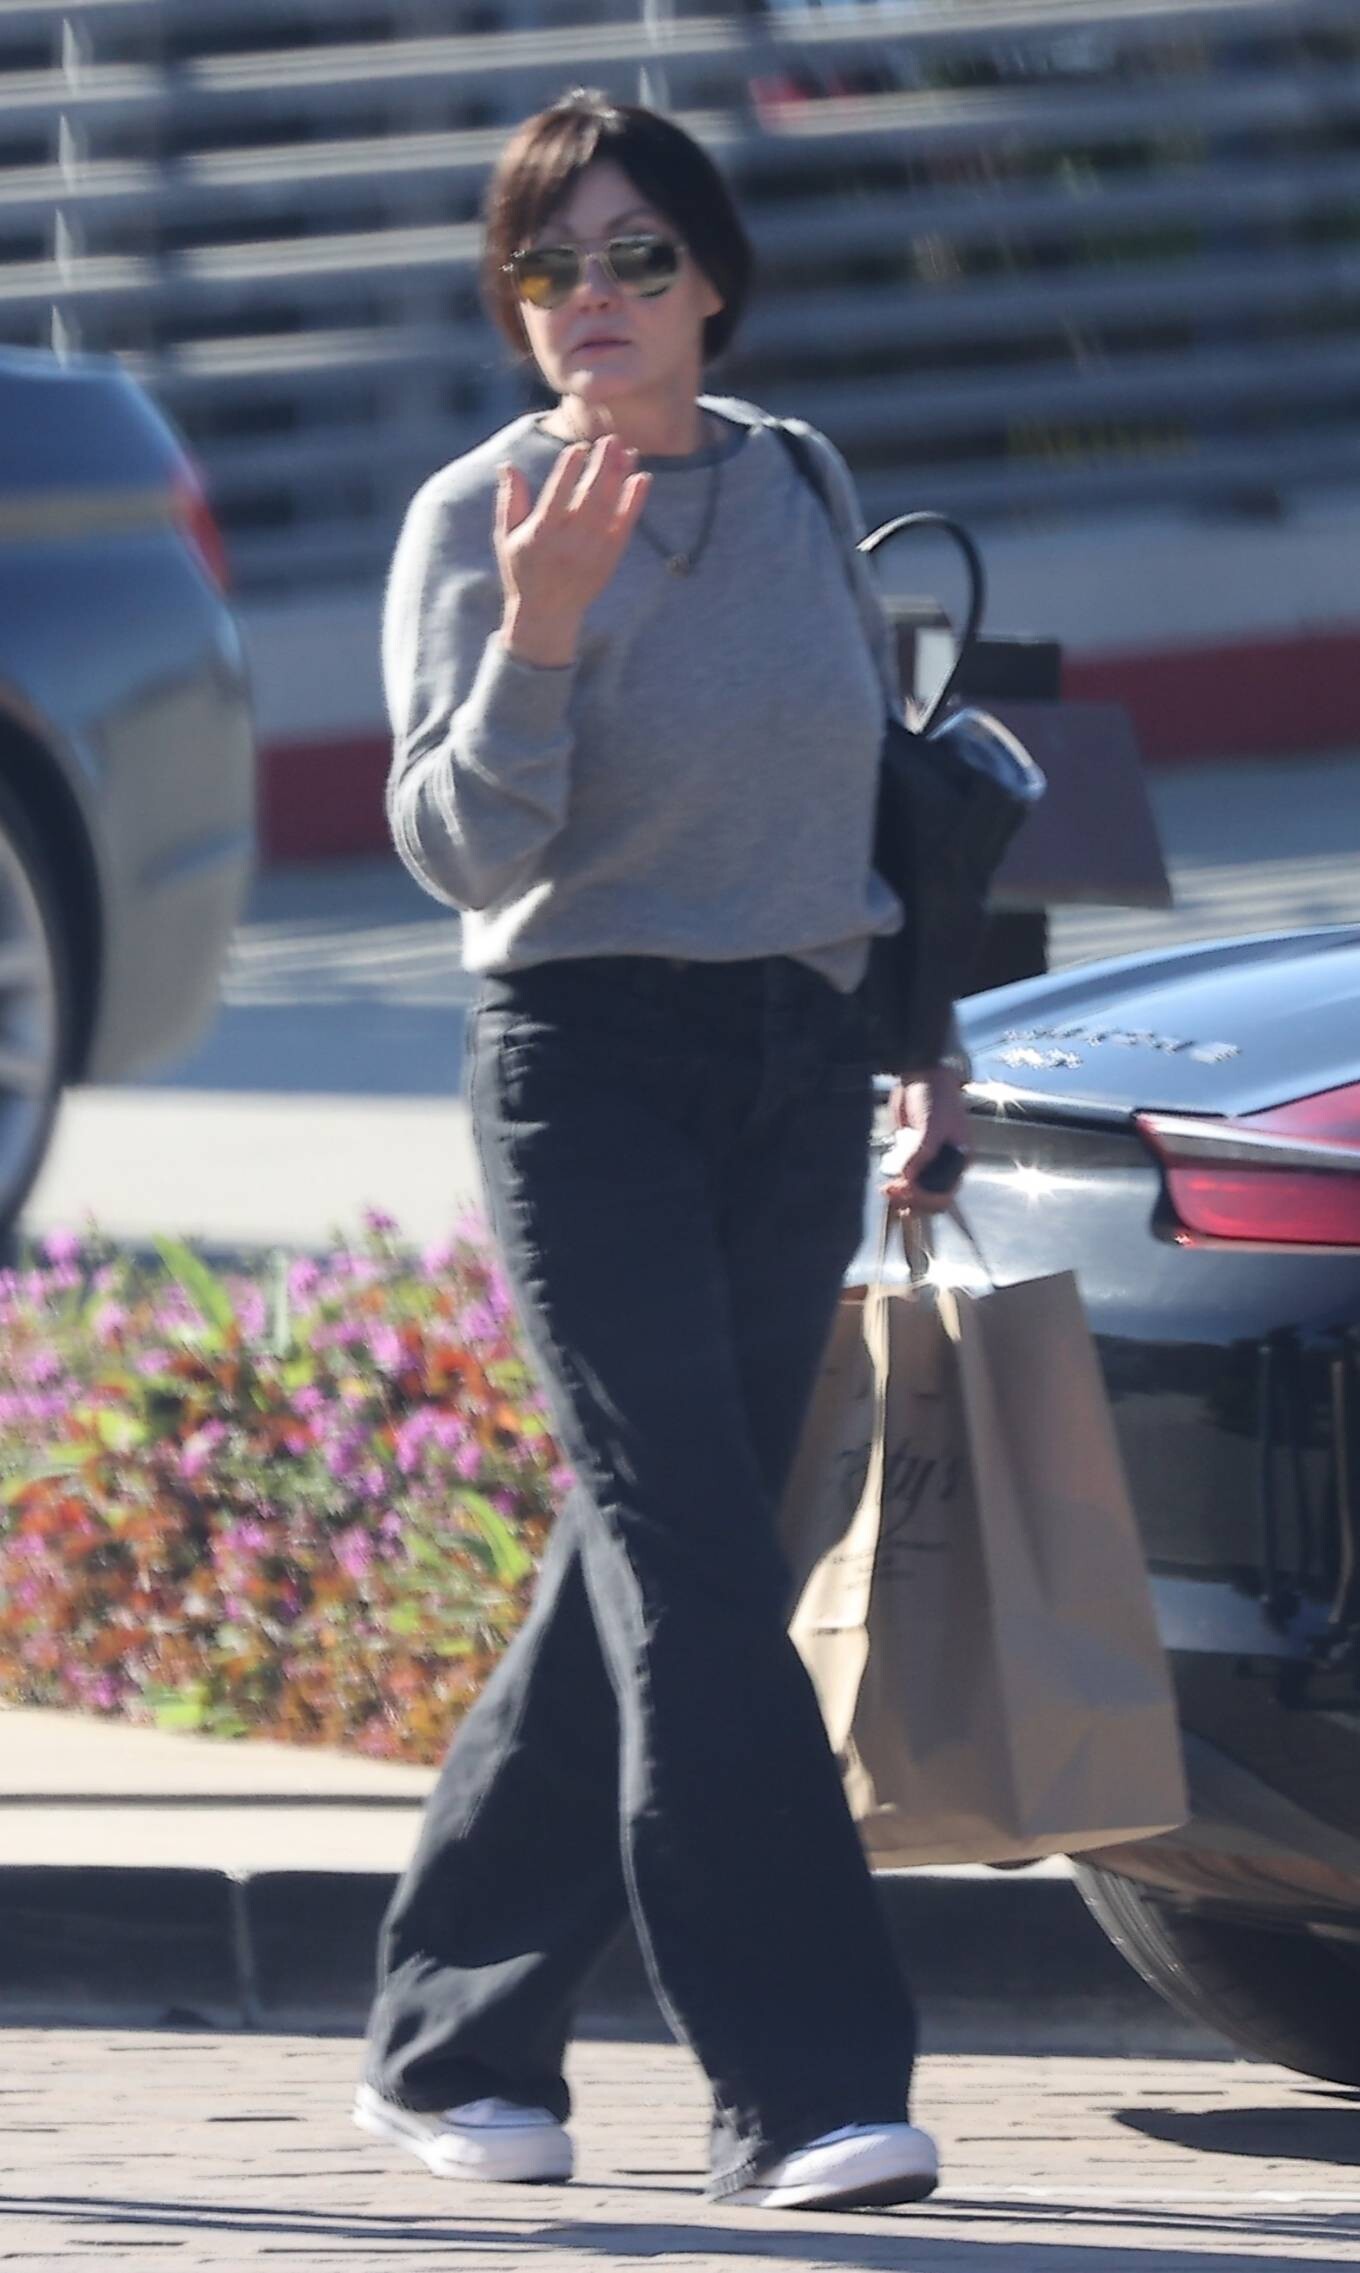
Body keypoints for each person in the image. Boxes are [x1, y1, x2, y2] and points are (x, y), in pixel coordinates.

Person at [354, 85, 969, 2215]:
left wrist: (925, 1042)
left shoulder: (798, 476)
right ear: (513, 304)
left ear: (712, 283)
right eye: (549, 264)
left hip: (794, 1061)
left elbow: (872, 796)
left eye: (635, 255)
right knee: (693, 1559)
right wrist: (540, 628)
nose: (591, 294)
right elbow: (454, 848)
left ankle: (449, 2035)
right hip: (582, 1060)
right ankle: (806, 2090)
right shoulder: (477, 515)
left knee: (649, 1558)